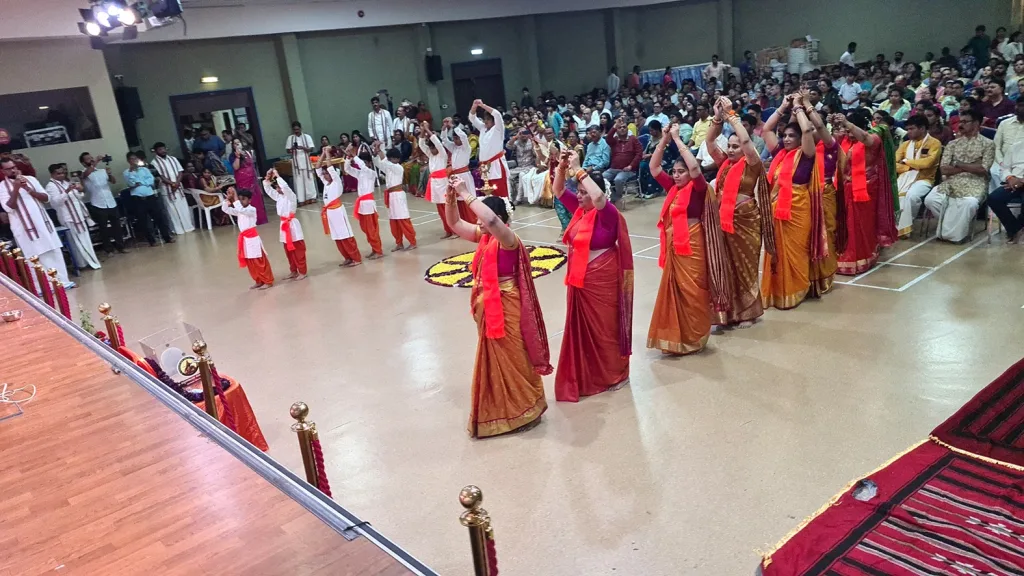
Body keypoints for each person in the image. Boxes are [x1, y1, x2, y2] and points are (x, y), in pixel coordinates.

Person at [442, 175, 552, 437]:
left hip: (507, 306)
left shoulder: (507, 239)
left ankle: (526, 408)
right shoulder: (484, 237)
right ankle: (502, 410)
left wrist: (466, 193)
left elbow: (490, 221)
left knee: (514, 357)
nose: (479, 223)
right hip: (488, 308)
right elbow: (455, 223)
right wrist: (451, 199)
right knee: (497, 360)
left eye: (481, 219)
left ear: (500, 218)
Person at [550, 150, 633, 402]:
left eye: (584, 192)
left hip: (603, 277)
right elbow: (557, 190)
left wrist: (579, 169)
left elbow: (598, 197)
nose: (580, 196)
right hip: (581, 279)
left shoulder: (607, 214)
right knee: (587, 333)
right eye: (579, 192)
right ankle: (591, 372)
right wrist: (562, 167)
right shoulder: (580, 211)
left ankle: (617, 374)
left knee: (606, 329)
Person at [705, 97, 776, 327]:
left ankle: (748, 313)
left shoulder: (752, 163)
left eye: (735, 147)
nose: (731, 149)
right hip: (723, 223)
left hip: (746, 222)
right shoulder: (724, 164)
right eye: (729, 146)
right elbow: (709, 141)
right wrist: (718, 117)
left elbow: (746, 140)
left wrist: (732, 115)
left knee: (745, 267)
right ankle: (728, 313)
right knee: (725, 266)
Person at [647, 123, 713, 354]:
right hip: (674, 246)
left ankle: (695, 337)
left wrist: (677, 139)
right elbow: (654, 167)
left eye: (680, 172)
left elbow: (694, 167)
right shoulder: (673, 188)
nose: (676, 176)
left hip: (693, 245)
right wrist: (664, 140)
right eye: (674, 172)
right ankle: (676, 338)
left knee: (693, 291)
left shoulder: (698, 188)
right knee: (675, 292)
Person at [759, 94, 819, 310]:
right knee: (775, 253)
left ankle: (796, 290)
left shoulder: (806, 155)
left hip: (797, 210)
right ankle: (776, 292)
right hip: (775, 211)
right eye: (784, 135)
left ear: (800, 139)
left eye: (791, 136)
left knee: (795, 253)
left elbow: (807, 130)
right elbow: (766, 129)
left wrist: (799, 107)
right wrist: (783, 106)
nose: (786, 139)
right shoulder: (779, 154)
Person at [834, 108, 898, 274]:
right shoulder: (845, 140)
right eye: (847, 131)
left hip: (866, 190)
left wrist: (847, 123)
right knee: (846, 225)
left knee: (861, 225)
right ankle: (845, 255)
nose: (849, 134)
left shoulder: (873, 139)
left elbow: (865, 138)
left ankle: (862, 257)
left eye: (851, 130)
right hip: (845, 189)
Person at [925, 109, 995, 242]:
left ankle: (953, 235)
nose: (960, 125)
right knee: (931, 199)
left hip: (976, 183)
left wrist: (957, 164)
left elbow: (982, 169)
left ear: (976, 123)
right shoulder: (952, 144)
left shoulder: (988, 144)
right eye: (960, 121)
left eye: (965, 122)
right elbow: (944, 169)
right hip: (951, 182)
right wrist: (970, 166)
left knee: (969, 203)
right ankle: (953, 228)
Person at [0, 158, 71, 289]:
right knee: (33, 257)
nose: (13, 170)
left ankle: (63, 283)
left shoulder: (31, 179)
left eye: (14, 167)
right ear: (2, 171)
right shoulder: (2, 187)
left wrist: (28, 189)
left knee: (53, 251)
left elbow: (46, 198)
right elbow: (9, 207)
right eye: (9, 169)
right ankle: (43, 288)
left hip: (43, 224)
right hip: (23, 229)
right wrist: (16, 188)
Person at [45, 164, 100, 271]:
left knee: (86, 240)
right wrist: (66, 191)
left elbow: (78, 197)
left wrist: (80, 190)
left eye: (63, 173)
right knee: (76, 243)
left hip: (79, 215)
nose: (62, 175)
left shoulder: (66, 182)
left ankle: (91, 261)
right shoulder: (50, 186)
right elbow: (55, 203)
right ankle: (81, 264)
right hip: (68, 218)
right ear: (52, 174)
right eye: (58, 173)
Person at [895, 115, 942, 238]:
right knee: (891, 194)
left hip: (924, 179)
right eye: (907, 129)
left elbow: (927, 163)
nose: (908, 132)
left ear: (922, 128)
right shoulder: (905, 144)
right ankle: (894, 226)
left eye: (912, 129)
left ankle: (905, 228)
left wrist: (905, 161)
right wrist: (909, 167)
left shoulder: (934, 143)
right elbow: (893, 163)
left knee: (911, 196)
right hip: (904, 177)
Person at [315, 148, 362, 267]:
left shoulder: (336, 181)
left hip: (338, 211)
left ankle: (356, 258)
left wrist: (327, 154)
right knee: (337, 236)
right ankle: (347, 257)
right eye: (324, 174)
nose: (325, 175)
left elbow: (330, 168)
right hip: (330, 212)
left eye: (327, 173)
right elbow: (317, 168)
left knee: (345, 234)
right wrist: (322, 153)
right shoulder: (326, 183)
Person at [221, 188, 273, 290]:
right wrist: (228, 199)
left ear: (249, 200)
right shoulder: (239, 210)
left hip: (253, 239)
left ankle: (268, 280)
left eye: (243, 199)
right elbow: (225, 209)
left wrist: (235, 197)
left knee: (259, 260)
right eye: (239, 199)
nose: (240, 201)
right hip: (245, 240)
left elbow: (241, 210)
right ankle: (258, 280)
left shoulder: (251, 210)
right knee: (251, 262)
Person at [261, 169, 306, 281]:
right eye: (277, 187)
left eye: (279, 187)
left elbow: (285, 187)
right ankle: (293, 270)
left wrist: (277, 176)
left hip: (292, 225)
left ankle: (302, 271)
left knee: (298, 249)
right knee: (288, 250)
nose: (278, 189)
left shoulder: (291, 196)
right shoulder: (279, 197)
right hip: (284, 225)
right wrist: (267, 178)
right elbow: (268, 190)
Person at [123, 151, 174, 247]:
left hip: (150, 196)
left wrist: (140, 182)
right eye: (132, 159)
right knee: (144, 221)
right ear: (128, 161)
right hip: (138, 199)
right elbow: (131, 183)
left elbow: (151, 180)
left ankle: (167, 237)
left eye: (135, 158)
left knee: (159, 217)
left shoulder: (145, 169)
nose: (134, 161)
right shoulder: (126, 172)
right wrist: (133, 175)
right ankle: (152, 241)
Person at [78, 152, 125, 254]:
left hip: (111, 202)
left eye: (91, 157)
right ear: (83, 163)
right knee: (103, 228)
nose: (91, 159)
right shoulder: (83, 173)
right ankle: (108, 249)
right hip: (98, 204)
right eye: (88, 159)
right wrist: (96, 161)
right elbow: (86, 174)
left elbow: (113, 181)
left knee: (116, 226)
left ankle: (121, 246)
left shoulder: (102, 171)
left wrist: (110, 174)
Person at [373, 142, 417, 251]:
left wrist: (380, 151)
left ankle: (412, 242)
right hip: (391, 196)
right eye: (389, 158)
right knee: (394, 221)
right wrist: (376, 152)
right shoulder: (389, 168)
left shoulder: (398, 168)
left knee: (403, 219)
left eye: (392, 158)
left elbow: (386, 163)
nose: (390, 160)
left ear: (397, 159)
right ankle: (399, 243)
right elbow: (379, 163)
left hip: (398, 195)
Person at [343, 148, 385, 259]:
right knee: (366, 229)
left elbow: (363, 167)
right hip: (362, 205)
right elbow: (347, 169)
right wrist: (348, 158)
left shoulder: (371, 173)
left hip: (368, 205)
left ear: (369, 163)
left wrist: (355, 157)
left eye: (365, 162)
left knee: (371, 230)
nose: (363, 164)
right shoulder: (360, 173)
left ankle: (378, 251)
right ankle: (374, 249)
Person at [469, 99, 512, 198]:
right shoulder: (483, 128)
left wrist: (483, 105)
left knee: (501, 194)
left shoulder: (498, 128)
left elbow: (497, 114)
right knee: (489, 196)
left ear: (493, 120)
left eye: (488, 119)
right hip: (485, 167)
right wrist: (474, 106)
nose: (485, 121)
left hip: (496, 165)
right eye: (485, 119)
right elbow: (472, 117)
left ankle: (505, 207)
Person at [150, 142, 194, 235]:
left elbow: (180, 171)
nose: (163, 151)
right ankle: (177, 230)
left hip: (178, 187)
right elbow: (160, 176)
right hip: (167, 189)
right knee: (172, 211)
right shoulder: (154, 163)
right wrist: (172, 184)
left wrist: (177, 183)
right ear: (156, 151)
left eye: (164, 148)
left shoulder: (173, 159)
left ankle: (188, 227)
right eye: (160, 149)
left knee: (183, 208)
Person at [419, 123, 454, 239]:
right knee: (440, 210)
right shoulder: (431, 155)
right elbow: (421, 144)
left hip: (443, 183)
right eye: (431, 148)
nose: (432, 150)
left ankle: (454, 230)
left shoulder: (442, 154)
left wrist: (427, 129)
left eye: (433, 148)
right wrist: (423, 131)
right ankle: (447, 230)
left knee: (447, 208)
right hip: (434, 184)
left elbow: (437, 143)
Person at [441, 118, 478, 225]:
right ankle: (462, 224)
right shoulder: (454, 148)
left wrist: (453, 126)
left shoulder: (466, 147)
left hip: (464, 176)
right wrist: (444, 128)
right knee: (458, 202)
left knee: (467, 199)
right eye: (454, 138)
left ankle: (473, 221)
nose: (455, 141)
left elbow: (464, 137)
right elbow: (444, 140)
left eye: (457, 138)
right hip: (455, 176)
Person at [602, 117, 642, 202]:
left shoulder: (633, 139)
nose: (622, 129)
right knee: (601, 178)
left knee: (618, 179)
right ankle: (612, 196)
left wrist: (631, 166)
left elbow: (639, 154)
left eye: (624, 127)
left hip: (628, 170)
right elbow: (608, 138)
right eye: (619, 127)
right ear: (616, 130)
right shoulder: (615, 140)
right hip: (613, 169)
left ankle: (618, 198)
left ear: (627, 129)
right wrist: (615, 126)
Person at [229, 138, 267, 225]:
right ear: (233, 146)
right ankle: (248, 221)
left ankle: (260, 219)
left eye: (238, 142)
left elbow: (253, 166)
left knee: (256, 199)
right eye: (235, 143)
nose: (237, 145)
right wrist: (238, 156)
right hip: (243, 181)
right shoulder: (232, 155)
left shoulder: (248, 153)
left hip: (252, 180)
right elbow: (236, 167)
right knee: (246, 199)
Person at [991, 98, 1024, 194]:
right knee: (994, 171)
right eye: (1018, 105)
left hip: (1020, 162)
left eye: (1023, 106)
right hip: (1001, 160)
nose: (1020, 108)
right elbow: (996, 147)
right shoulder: (1004, 123)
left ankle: (1012, 192)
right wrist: (1001, 162)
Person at [285, 122, 316, 205]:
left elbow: (311, 149)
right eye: (294, 130)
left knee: (308, 179)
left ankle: (311, 197)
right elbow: (288, 150)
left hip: (306, 161)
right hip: (296, 163)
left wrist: (302, 147)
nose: (296, 131)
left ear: (300, 128)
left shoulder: (307, 137)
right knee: (298, 181)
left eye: (297, 129)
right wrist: (293, 148)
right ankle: (301, 199)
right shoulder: (290, 138)